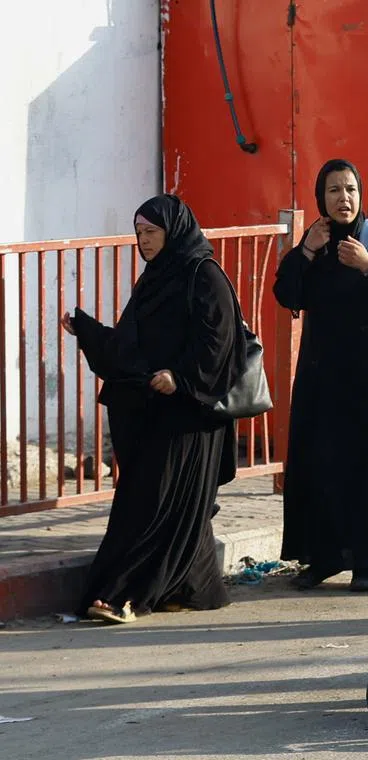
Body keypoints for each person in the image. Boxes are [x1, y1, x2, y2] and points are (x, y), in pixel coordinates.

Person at [62, 194, 240, 624]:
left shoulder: (204, 275)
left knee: (152, 503)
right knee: (168, 505)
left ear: (173, 230)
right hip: (157, 412)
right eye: (139, 233)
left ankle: (123, 594)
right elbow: (131, 348)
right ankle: (191, 588)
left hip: (191, 414)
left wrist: (181, 378)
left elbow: (220, 344)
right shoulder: (154, 280)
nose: (143, 241)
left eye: (151, 232)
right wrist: (87, 331)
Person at [273, 158, 368, 592]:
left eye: (351, 189)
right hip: (320, 367)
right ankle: (320, 558)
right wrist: (307, 251)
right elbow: (287, 293)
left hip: (366, 370)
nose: (344, 198)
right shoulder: (313, 240)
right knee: (318, 459)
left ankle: (364, 563)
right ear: (322, 198)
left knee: (362, 461)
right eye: (334, 190)